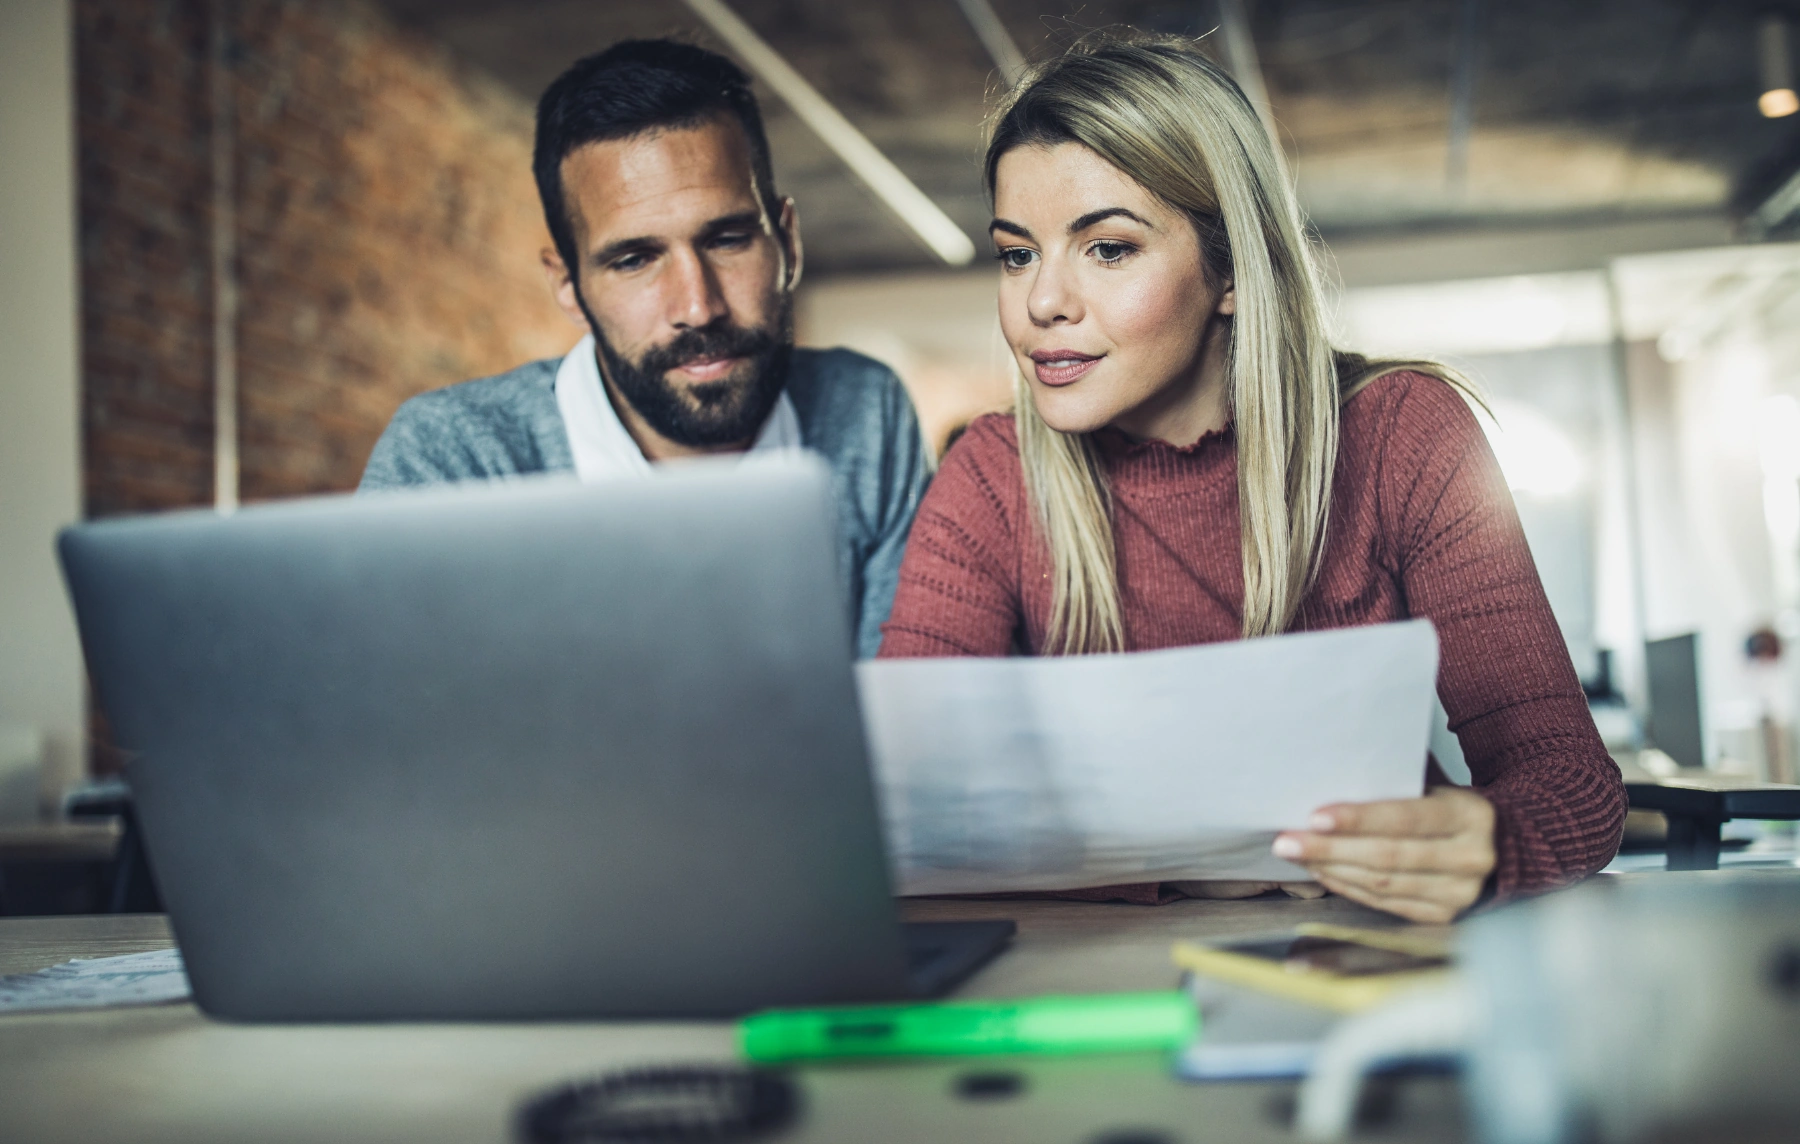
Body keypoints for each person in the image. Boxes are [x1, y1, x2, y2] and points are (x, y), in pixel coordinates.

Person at [878, 32, 1626, 923]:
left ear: (1230, 269)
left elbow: (1571, 782)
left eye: (1108, 249)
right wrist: (1185, 861)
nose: (1042, 302)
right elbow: (900, 815)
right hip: (1100, 979)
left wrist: (1490, 841)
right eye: (1017, 254)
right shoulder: (991, 476)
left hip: (1361, 950)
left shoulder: (1399, 433)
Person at [360, 40, 927, 657]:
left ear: (787, 244)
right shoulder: (456, 461)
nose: (698, 307)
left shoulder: (864, 411)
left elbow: (900, 700)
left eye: (728, 240)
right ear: (569, 286)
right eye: (634, 260)